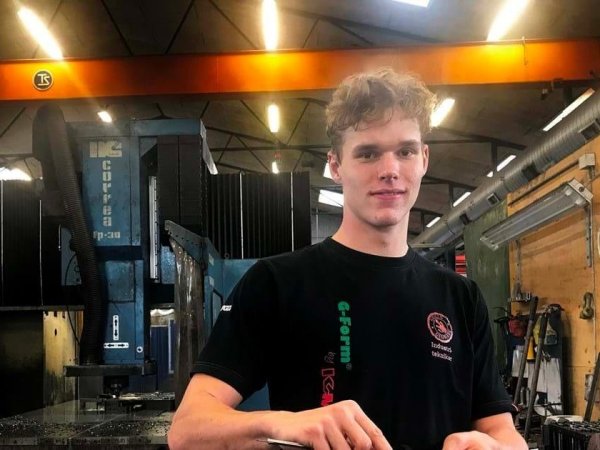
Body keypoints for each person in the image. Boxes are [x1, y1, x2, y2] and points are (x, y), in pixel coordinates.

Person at [168, 68, 527, 450]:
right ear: (336, 166)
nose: (390, 171)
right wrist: (285, 425)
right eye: (368, 153)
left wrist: (495, 447)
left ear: (424, 158)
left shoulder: (462, 298)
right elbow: (187, 430)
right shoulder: (276, 284)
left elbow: (504, 433)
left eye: (405, 151)